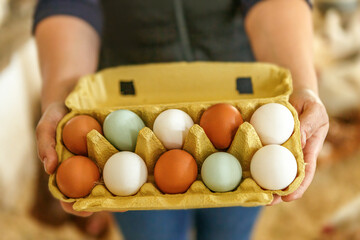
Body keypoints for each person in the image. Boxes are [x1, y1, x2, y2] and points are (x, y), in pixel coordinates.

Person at [33, 0, 329, 239]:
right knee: (149, 231)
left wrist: (301, 85)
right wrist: (62, 92)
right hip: (128, 97)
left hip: (240, 95)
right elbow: (68, 4)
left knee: (231, 229)